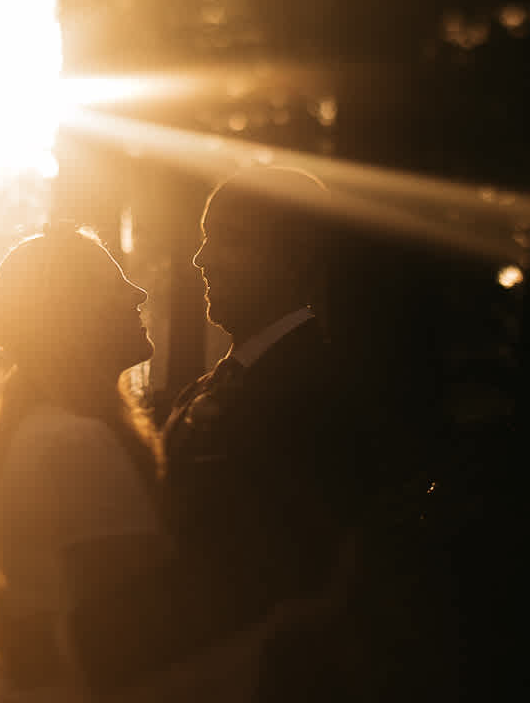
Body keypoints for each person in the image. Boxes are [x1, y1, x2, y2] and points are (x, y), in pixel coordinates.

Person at [160, 164, 453, 699]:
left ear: (293, 259)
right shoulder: (210, 386)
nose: (201, 260)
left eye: (228, 240)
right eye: (205, 240)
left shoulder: (321, 395)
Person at [0, 224, 266, 703]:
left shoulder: (39, 429)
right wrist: (283, 635)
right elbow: (128, 652)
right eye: (113, 283)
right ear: (69, 314)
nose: (137, 292)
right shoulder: (74, 443)